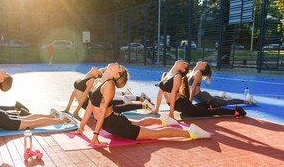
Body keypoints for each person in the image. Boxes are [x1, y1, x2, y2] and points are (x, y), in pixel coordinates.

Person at [75, 62, 211, 147]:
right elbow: (90, 106)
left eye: (119, 66)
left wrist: (95, 135)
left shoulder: (109, 85)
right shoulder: (98, 81)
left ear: (116, 75)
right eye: (119, 64)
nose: (116, 63)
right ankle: (163, 120)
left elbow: (103, 110)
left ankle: (192, 133)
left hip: (115, 124)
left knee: (155, 134)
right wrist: (81, 127)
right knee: (139, 124)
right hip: (112, 122)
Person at [0, 69, 72, 136]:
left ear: (1, 79)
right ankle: (53, 116)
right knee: (27, 119)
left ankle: (61, 120)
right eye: (5, 73)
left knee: (32, 123)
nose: (4, 71)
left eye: (5, 74)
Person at [154, 60, 247, 118]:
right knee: (200, 107)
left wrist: (171, 113)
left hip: (183, 104)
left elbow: (174, 93)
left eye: (184, 63)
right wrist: (156, 109)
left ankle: (235, 111)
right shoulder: (165, 74)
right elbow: (160, 92)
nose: (182, 61)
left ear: (182, 69)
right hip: (176, 104)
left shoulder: (177, 76)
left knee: (209, 112)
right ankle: (209, 104)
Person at [64, 67, 155, 118]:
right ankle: (141, 104)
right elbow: (74, 92)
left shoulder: (91, 80)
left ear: (96, 75)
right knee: (115, 106)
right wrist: (68, 109)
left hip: (89, 104)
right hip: (89, 105)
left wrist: (76, 112)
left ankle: (143, 104)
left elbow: (83, 96)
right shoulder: (83, 78)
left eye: (99, 71)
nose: (97, 68)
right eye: (98, 70)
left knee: (116, 107)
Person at [188, 61, 257, 107]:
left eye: (203, 63)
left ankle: (247, 101)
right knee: (216, 99)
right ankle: (223, 96)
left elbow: (192, 87)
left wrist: (189, 103)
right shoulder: (194, 71)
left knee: (225, 103)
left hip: (203, 98)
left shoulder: (198, 73)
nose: (201, 61)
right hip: (201, 96)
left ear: (203, 68)